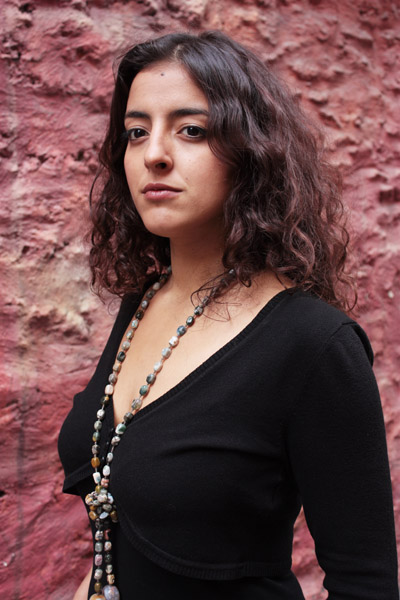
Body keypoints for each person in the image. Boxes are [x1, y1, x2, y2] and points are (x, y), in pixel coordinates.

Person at [58, 31, 398, 600]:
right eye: (136, 132)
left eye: (191, 130)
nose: (154, 154)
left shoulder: (314, 343)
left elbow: (366, 583)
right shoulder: (142, 303)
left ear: (251, 150)